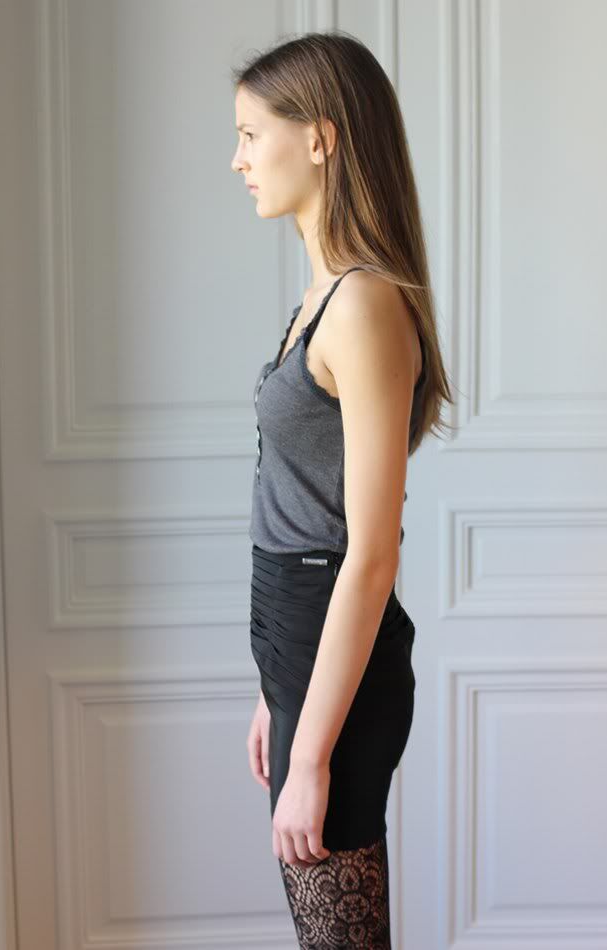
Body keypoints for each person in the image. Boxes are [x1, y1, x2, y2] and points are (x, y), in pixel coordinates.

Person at [230, 30, 453, 949]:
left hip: (335, 653)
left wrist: (313, 751)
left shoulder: (361, 304)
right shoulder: (323, 298)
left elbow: (367, 553)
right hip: (303, 647)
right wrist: (276, 693)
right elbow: (301, 497)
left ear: (319, 138)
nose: (238, 159)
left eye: (251, 134)